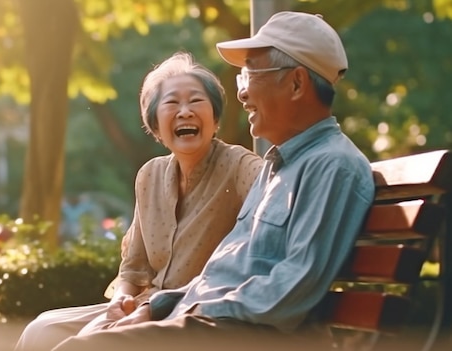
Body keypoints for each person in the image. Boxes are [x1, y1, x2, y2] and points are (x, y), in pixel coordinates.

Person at [51, 11, 376, 351]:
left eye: (250, 75)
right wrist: (155, 307)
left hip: (243, 335)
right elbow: (222, 271)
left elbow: (290, 290)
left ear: (296, 84)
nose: (242, 94)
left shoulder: (332, 167)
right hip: (215, 323)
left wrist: (185, 311)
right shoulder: (278, 166)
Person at [13, 52, 263, 350]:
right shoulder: (149, 175)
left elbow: (275, 186)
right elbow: (133, 267)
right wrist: (120, 300)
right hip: (143, 306)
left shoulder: (239, 166)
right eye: (172, 103)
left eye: (196, 100)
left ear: (216, 118)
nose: (185, 111)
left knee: (82, 344)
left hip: (195, 314)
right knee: (39, 331)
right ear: (156, 127)